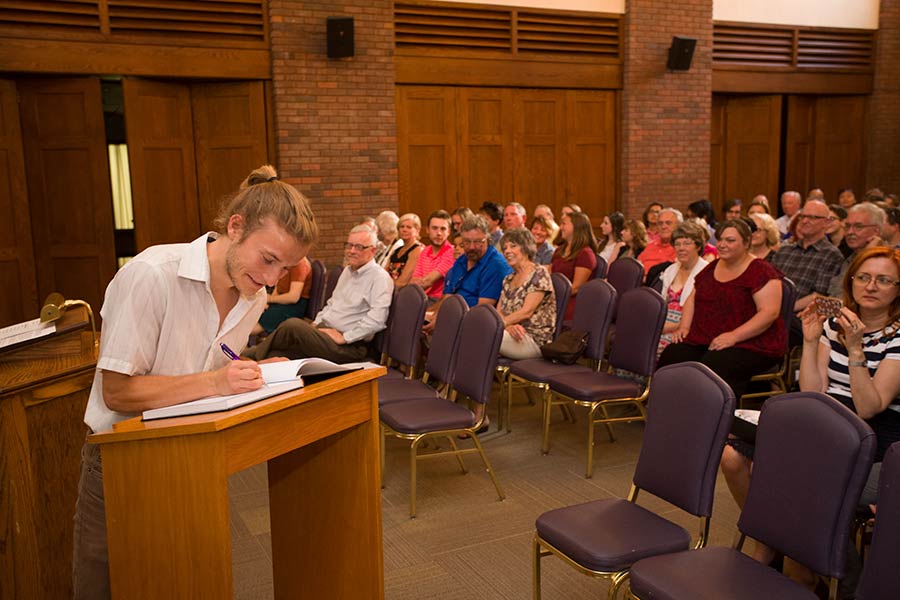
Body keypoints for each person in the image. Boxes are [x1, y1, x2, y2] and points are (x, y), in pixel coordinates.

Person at [71, 165, 316, 599]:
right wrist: (217, 383)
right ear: (235, 227)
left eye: (286, 267)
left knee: (184, 582)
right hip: (124, 463)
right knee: (107, 589)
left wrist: (247, 369)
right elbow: (118, 391)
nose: (273, 279)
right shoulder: (152, 275)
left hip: (193, 455)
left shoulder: (253, 292)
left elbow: (213, 359)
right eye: (268, 259)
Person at [721, 247, 900, 586]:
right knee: (732, 454)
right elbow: (812, 392)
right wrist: (813, 340)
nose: (871, 286)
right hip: (828, 423)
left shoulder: (897, 338)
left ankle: (820, 572)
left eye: (884, 280)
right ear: (851, 282)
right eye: (863, 277)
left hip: (875, 434)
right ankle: (773, 542)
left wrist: (857, 349)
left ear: (898, 289)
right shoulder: (834, 325)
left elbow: (869, 407)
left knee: (789, 477)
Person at [658, 219, 786, 398]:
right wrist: (684, 327)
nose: (723, 245)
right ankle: (670, 410)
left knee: (715, 364)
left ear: (746, 242)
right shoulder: (712, 268)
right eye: (720, 240)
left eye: (730, 240)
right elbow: (692, 299)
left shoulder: (762, 271)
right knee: (674, 355)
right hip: (707, 336)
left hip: (750, 341)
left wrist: (734, 336)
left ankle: (710, 418)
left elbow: (769, 313)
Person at [244, 225, 393, 364]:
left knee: (293, 325)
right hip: (325, 334)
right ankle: (245, 362)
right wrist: (315, 324)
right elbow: (332, 304)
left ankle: (247, 355)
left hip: (350, 347)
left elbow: (377, 320)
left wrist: (345, 338)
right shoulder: (347, 271)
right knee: (277, 355)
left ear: (373, 251)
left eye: (359, 247)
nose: (352, 251)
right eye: (349, 245)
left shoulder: (379, 278)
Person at [771, 200, 844, 345]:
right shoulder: (785, 249)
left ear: (826, 222)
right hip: (770, 308)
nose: (805, 221)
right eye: (803, 216)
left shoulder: (831, 254)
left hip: (798, 317)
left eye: (812, 217)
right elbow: (768, 283)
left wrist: (783, 308)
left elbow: (818, 295)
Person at [496, 228, 556, 360]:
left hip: (531, 339)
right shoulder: (508, 279)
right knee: (478, 332)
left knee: (485, 334)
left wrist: (500, 324)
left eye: (513, 246)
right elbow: (499, 310)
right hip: (508, 332)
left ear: (526, 247)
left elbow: (526, 312)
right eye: (505, 248)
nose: (507, 251)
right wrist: (508, 326)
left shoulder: (539, 273)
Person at [657, 222, 709, 356]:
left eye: (686, 243)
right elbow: (662, 303)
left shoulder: (706, 272)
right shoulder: (670, 270)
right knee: (634, 343)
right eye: (677, 244)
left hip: (688, 326)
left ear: (698, 246)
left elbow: (703, 313)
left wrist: (672, 327)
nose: (681, 248)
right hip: (663, 323)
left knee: (658, 349)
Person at [827, 202, 886, 297]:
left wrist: (867, 255)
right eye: (847, 226)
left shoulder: (886, 261)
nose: (850, 232)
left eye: (858, 227)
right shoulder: (850, 257)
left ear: (876, 231)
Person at [551, 211, 598, 321]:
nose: (560, 227)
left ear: (577, 227)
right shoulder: (559, 250)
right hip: (555, 298)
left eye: (564, 224)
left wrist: (551, 298)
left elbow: (575, 288)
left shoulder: (585, 254)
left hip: (570, 303)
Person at [253, 256, 312, 335]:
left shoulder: (300, 264)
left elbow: (293, 297)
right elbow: (278, 289)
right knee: (253, 312)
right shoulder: (285, 262)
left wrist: (270, 299)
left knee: (252, 327)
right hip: (280, 302)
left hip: (293, 307)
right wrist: (267, 303)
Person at [410, 210, 455, 302]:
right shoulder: (425, 251)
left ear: (449, 231)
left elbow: (428, 281)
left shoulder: (452, 252)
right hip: (422, 297)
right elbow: (413, 281)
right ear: (427, 230)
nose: (439, 233)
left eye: (443, 229)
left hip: (440, 301)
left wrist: (421, 281)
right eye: (435, 228)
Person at [638, 207, 681, 279]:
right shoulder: (650, 246)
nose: (663, 226)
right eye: (660, 223)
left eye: (668, 223)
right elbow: (637, 265)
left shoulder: (680, 248)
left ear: (678, 226)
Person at [385, 212, 423, 288]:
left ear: (417, 230)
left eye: (409, 227)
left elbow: (403, 281)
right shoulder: (397, 250)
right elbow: (383, 273)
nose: (404, 230)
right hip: (387, 288)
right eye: (402, 227)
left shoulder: (418, 249)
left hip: (402, 291)